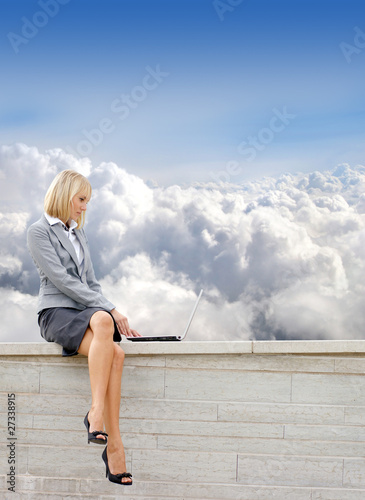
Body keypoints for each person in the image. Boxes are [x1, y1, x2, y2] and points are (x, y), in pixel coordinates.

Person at [27, 169, 141, 486]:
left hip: (83, 312)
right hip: (55, 311)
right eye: (81, 199)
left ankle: (113, 447)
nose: (84, 207)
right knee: (104, 319)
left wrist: (107, 305)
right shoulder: (38, 232)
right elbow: (62, 281)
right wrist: (110, 310)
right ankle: (96, 415)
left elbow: (90, 283)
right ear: (65, 196)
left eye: (87, 201)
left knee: (115, 355)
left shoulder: (79, 233)